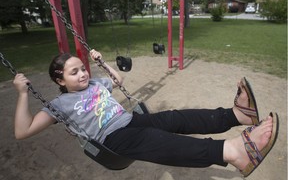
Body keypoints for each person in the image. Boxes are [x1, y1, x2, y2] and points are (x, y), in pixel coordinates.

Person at [13, 49, 279, 177]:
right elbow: (22, 131)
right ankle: (233, 153)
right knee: (156, 140)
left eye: (82, 68)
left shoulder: (94, 82)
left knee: (175, 118)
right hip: (110, 139)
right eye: (75, 72)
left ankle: (236, 115)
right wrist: (24, 94)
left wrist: (101, 63)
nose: (83, 73)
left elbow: (117, 81)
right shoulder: (60, 106)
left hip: (129, 120)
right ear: (60, 81)